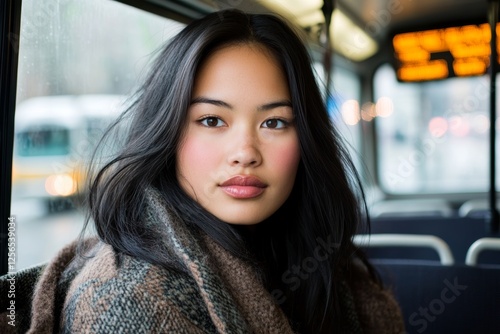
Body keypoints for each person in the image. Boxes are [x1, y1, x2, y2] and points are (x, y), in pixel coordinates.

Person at [0, 9, 404, 333]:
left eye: (275, 122)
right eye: (212, 121)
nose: (245, 153)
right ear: (168, 131)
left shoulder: (322, 263)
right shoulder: (135, 305)